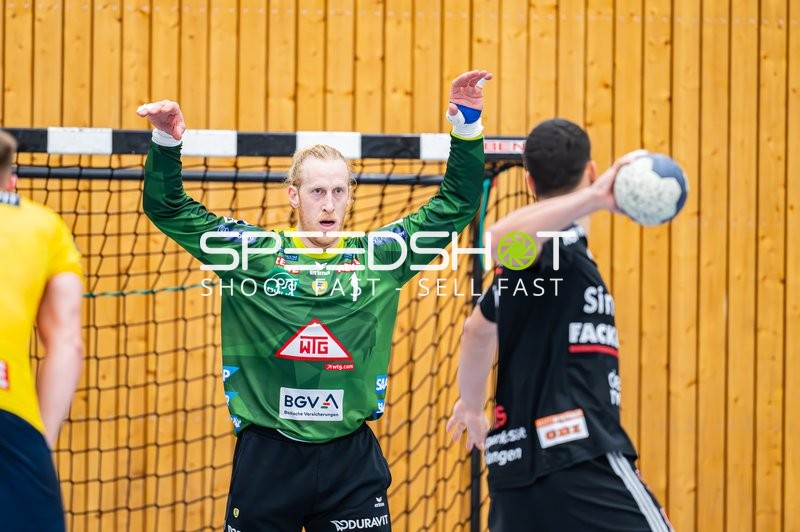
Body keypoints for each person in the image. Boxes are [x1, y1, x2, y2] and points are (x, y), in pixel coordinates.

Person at [138, 69, 492, 531]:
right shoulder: (251, 254)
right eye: (317, 191)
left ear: (349, 199)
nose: (328, 203)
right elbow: (167, 207)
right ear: (294, 195)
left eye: (339, 192)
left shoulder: (382, 257)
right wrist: (166, 143)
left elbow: (457, 203)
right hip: (269, 459)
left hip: (351, 461)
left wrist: (465, 126)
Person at [446, 119, 674, 531]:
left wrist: (471, 403)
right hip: (579, 458)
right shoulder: (558, 251)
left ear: (528, 182)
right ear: (591, 170)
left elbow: (476, 332)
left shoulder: (537, 265)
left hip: (515, 476)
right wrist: (598, 196)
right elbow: (496, 239)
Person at [0, 130, 85, 531]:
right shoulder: (42, 226)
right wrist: (41, 442)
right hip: (9, 418)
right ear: (10, 178)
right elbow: (67, 343)